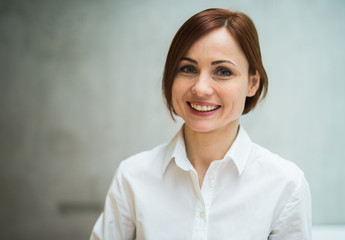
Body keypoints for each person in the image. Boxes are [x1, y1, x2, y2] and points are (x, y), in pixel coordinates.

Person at [90, 8, 312, 240]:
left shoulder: (286, 185)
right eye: (188, 69)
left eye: (223, 71)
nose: (200, 88)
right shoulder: (132, 176)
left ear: (252, 83)